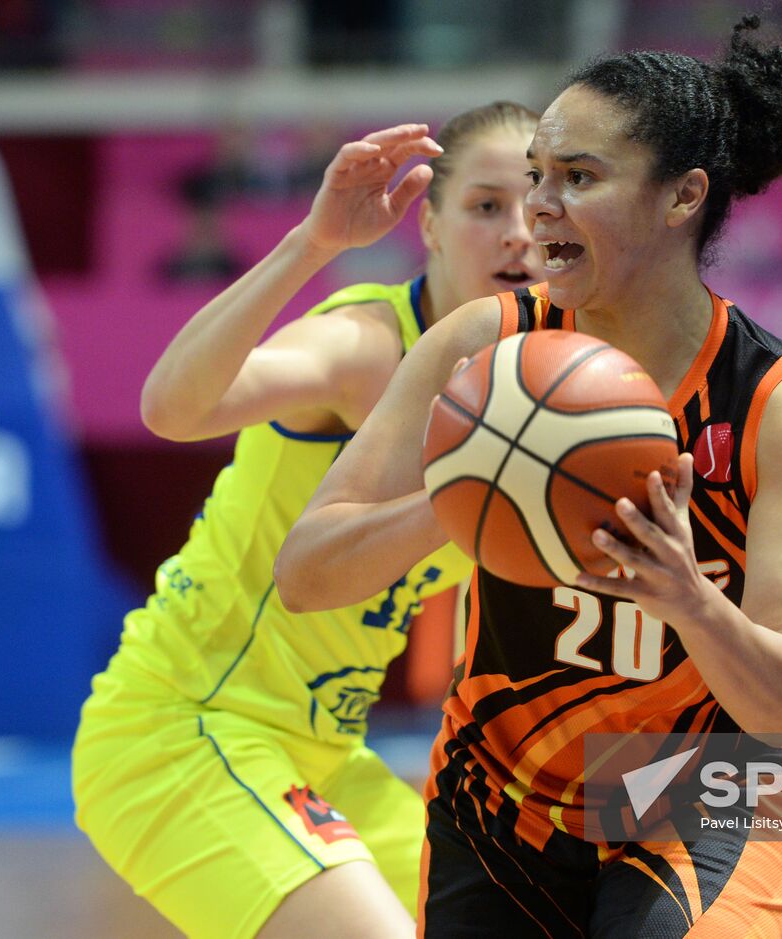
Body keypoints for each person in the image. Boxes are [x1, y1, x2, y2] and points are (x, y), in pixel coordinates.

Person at [274, 16, 782, 938]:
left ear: (682, 198)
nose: (538, 206)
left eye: (578, 178)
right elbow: (305, 574)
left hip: (703, 796)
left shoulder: (780, 408)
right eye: (539, 174)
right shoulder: (482, 344)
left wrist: (689, 598)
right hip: (501, 792)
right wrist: (464, 490)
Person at [72, 101, 543, 939]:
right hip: (182, 729)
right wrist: (314, 244)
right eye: (485, 205)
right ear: (428, 225)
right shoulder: (364, 346)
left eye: (538, 206)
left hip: (326, 757)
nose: (517, 233)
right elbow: (172, 408)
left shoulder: (542, 381)